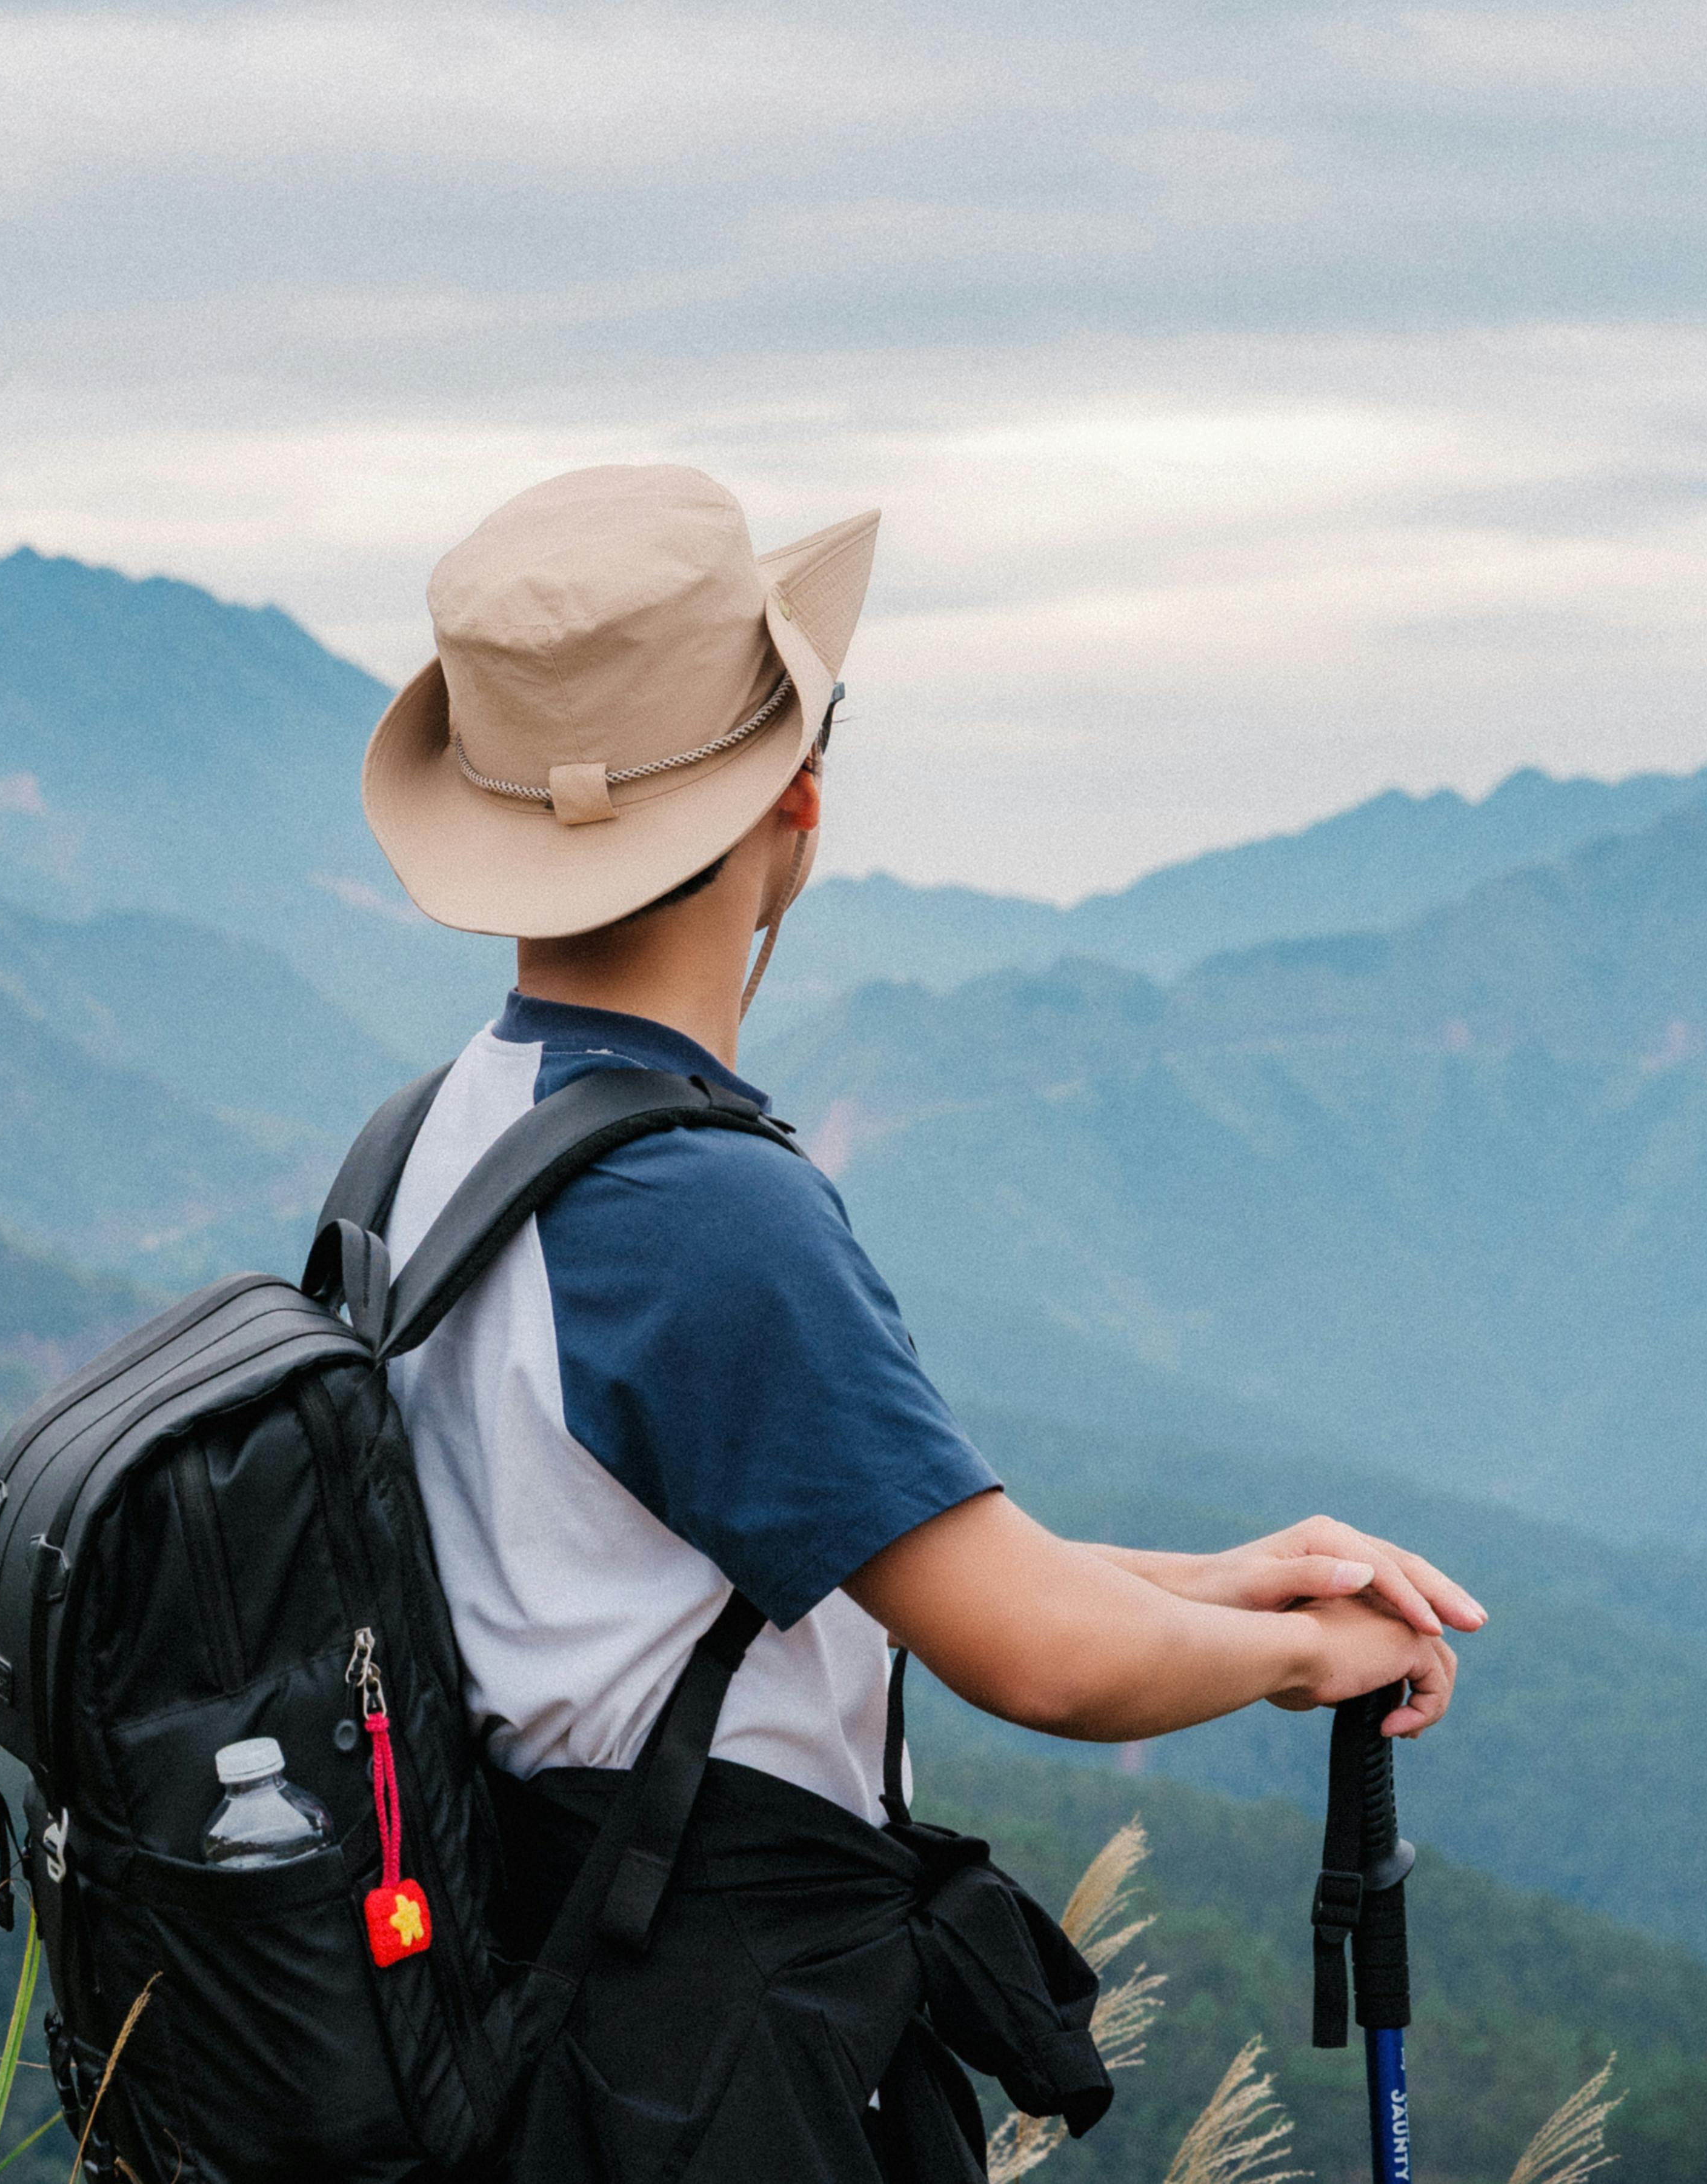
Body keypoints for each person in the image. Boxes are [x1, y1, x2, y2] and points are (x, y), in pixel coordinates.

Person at [358, 465, 1482, 2182]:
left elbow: (726, 1576)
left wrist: (1211, 1580)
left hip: (541, 2011)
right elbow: (1038, 1654)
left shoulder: (442, 1130)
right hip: (718, 2068)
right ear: (796, 807)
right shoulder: (699, 1207)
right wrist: (1315, 1653)